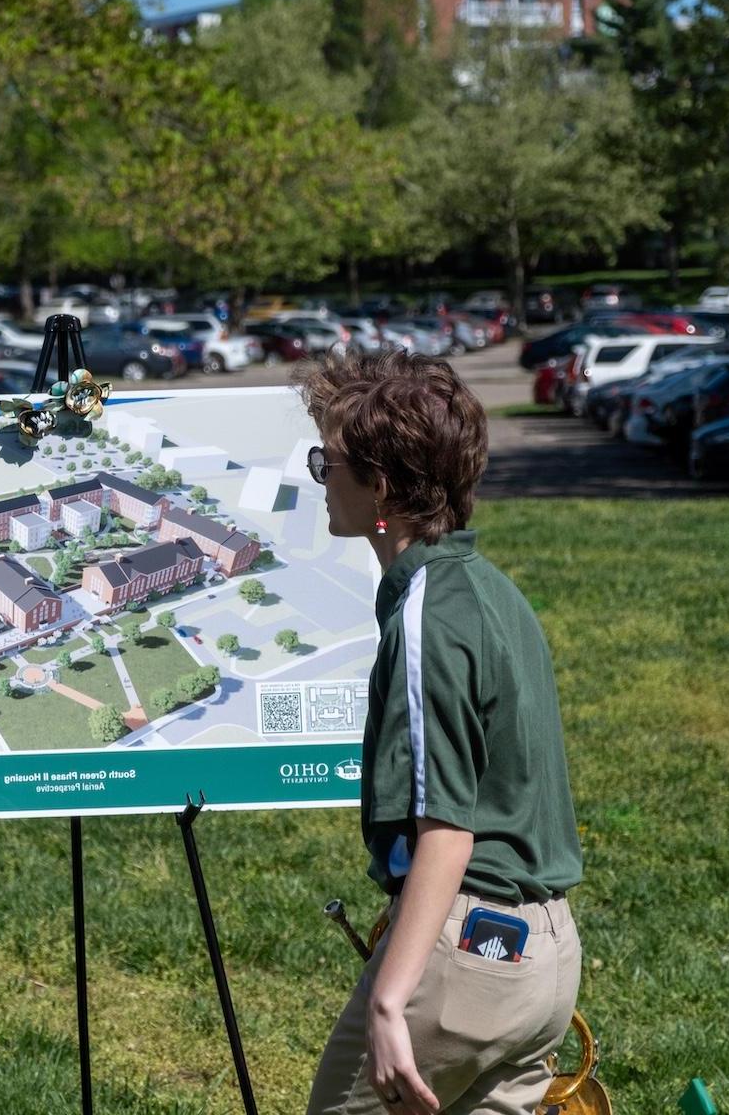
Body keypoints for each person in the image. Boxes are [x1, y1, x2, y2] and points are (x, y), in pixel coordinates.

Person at [300, 351, 584, 1115]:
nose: (320, 475)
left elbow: (448, 830)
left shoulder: (431, 614)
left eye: (329, 461)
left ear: (381, 485)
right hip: (545, 959)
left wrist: (391, 1002)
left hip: (466, 962)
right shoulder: (490, 589)